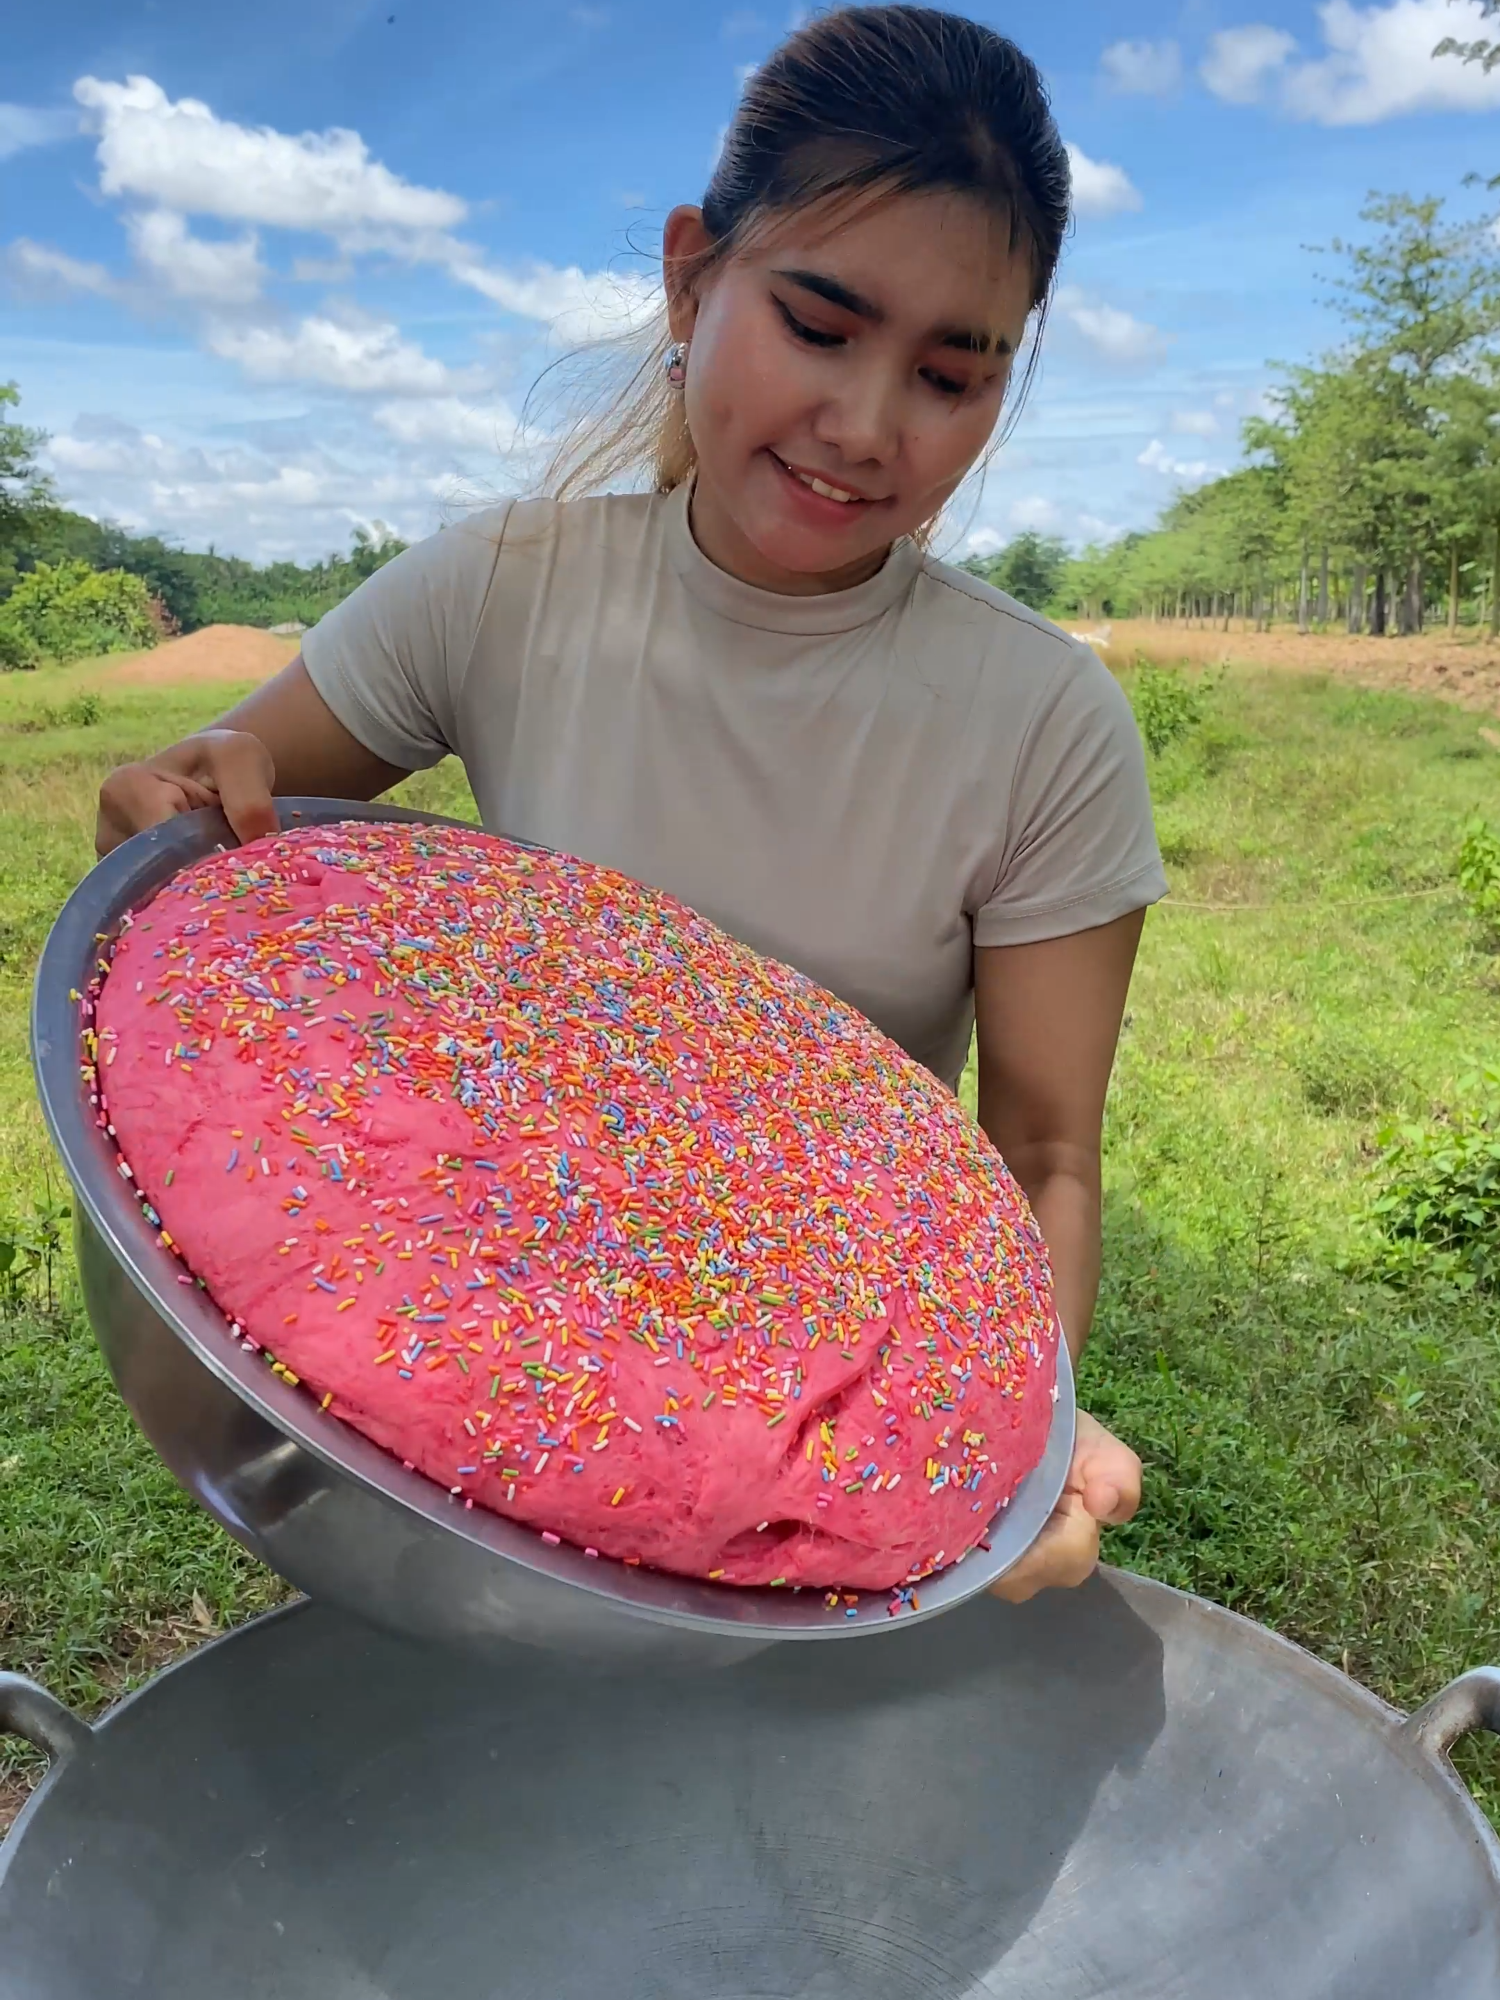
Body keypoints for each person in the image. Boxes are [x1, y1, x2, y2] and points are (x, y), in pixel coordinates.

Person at [96, 4, 1164, 1602]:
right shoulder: (497, 590)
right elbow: (213, 838)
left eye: (950, 374)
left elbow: (1041, 1153)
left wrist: (1008, 1452)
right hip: (482, 1330)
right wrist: (180, 797)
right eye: (818, 326)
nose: (868, 427)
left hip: (801, 1397)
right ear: (691, 276)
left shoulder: (1046, 722)